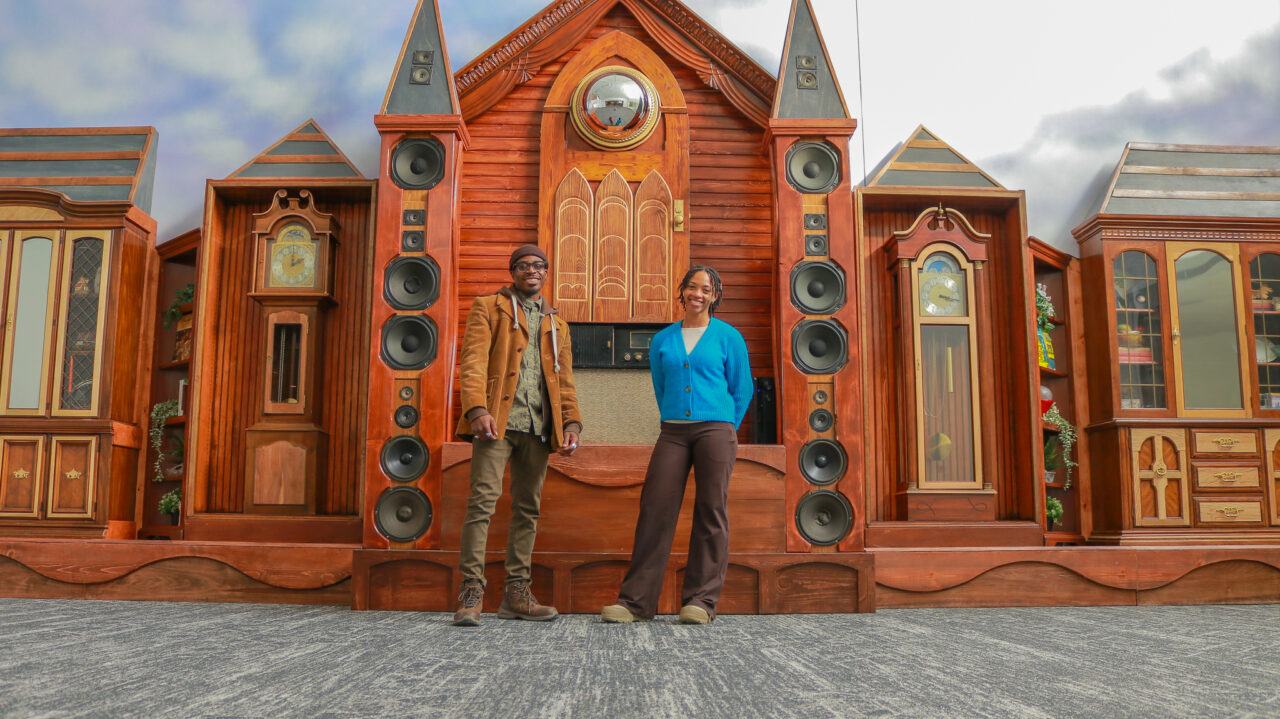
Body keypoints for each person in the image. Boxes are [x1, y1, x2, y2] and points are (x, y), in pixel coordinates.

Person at [601, 265, 753, 625]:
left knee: (711, 510)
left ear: (715, 296)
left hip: (716, 431)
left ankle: (701, 601)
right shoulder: (663, 340)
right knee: (655, 508)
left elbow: (742, 388)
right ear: (682, 291)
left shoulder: (729, 337)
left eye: (706, 289)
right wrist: (673, 416)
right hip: (672, 432)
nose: (697, 294)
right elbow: (662, 387)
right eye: (691, 287)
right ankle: (636, 603)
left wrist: (727, 428)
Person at [452, 244, 582, 627]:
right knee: (482, 503)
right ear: (513, 272)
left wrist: (571, 423)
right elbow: (472, 362)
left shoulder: (557, 324)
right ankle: (471, 592)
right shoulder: (488, 307)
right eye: (523, 265)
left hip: (538, 428)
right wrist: (477, 409)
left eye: (538, 265)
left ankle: (516, 595)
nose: (531, 270)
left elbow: (564, 380)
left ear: (546, 272)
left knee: (528, 509)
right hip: (497, 423)